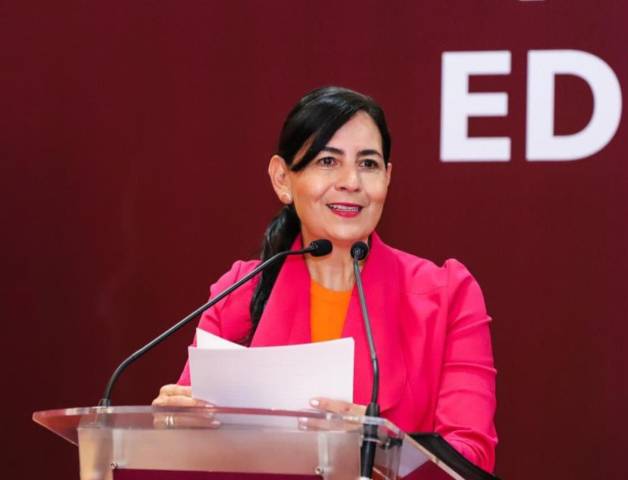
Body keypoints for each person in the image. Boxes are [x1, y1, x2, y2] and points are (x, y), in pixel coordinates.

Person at [152, 86, 498, 471]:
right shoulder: (238, 292)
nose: (351, 181)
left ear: (387, 178)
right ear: (282, 179)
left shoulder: (447, 296)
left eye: (368, 164)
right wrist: (176, 427)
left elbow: (471, 459)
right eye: (328, 161)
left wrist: (380, 448)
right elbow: (191, 438)